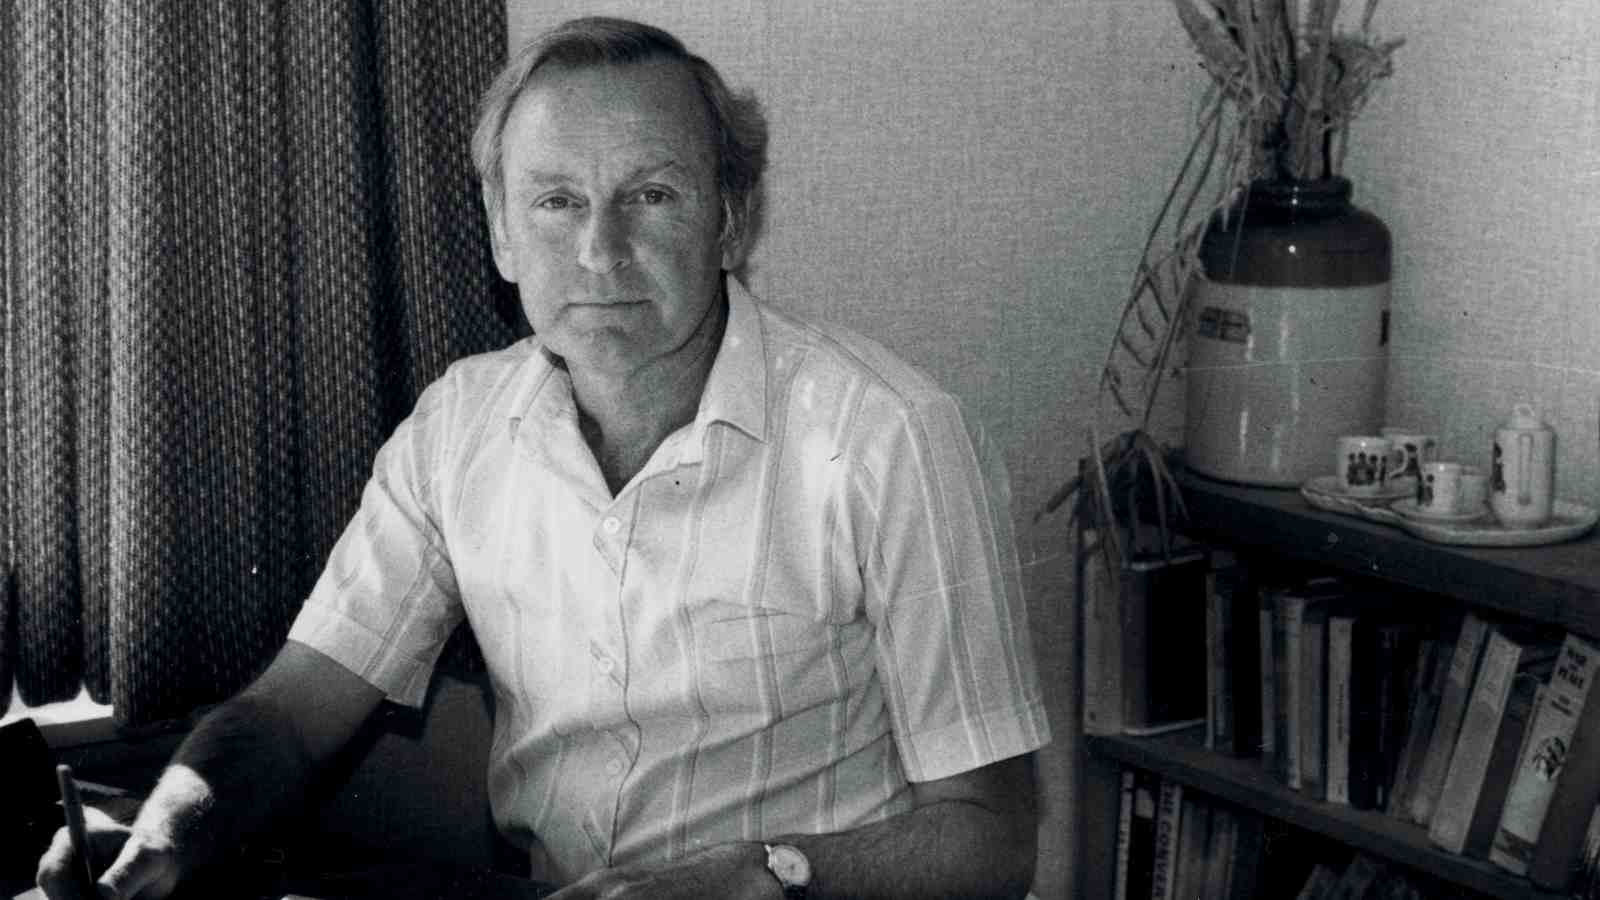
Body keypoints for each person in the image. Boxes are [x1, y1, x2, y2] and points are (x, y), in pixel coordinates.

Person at [37, 16, 1049, 900]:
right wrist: (169, 833)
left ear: (733, 219)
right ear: (501, 236)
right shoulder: (459, 426)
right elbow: (294, 715)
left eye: (650, 196)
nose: (601, 253)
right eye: (557, 203)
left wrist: (765, 876)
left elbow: (993, 841)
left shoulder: (892, 437)